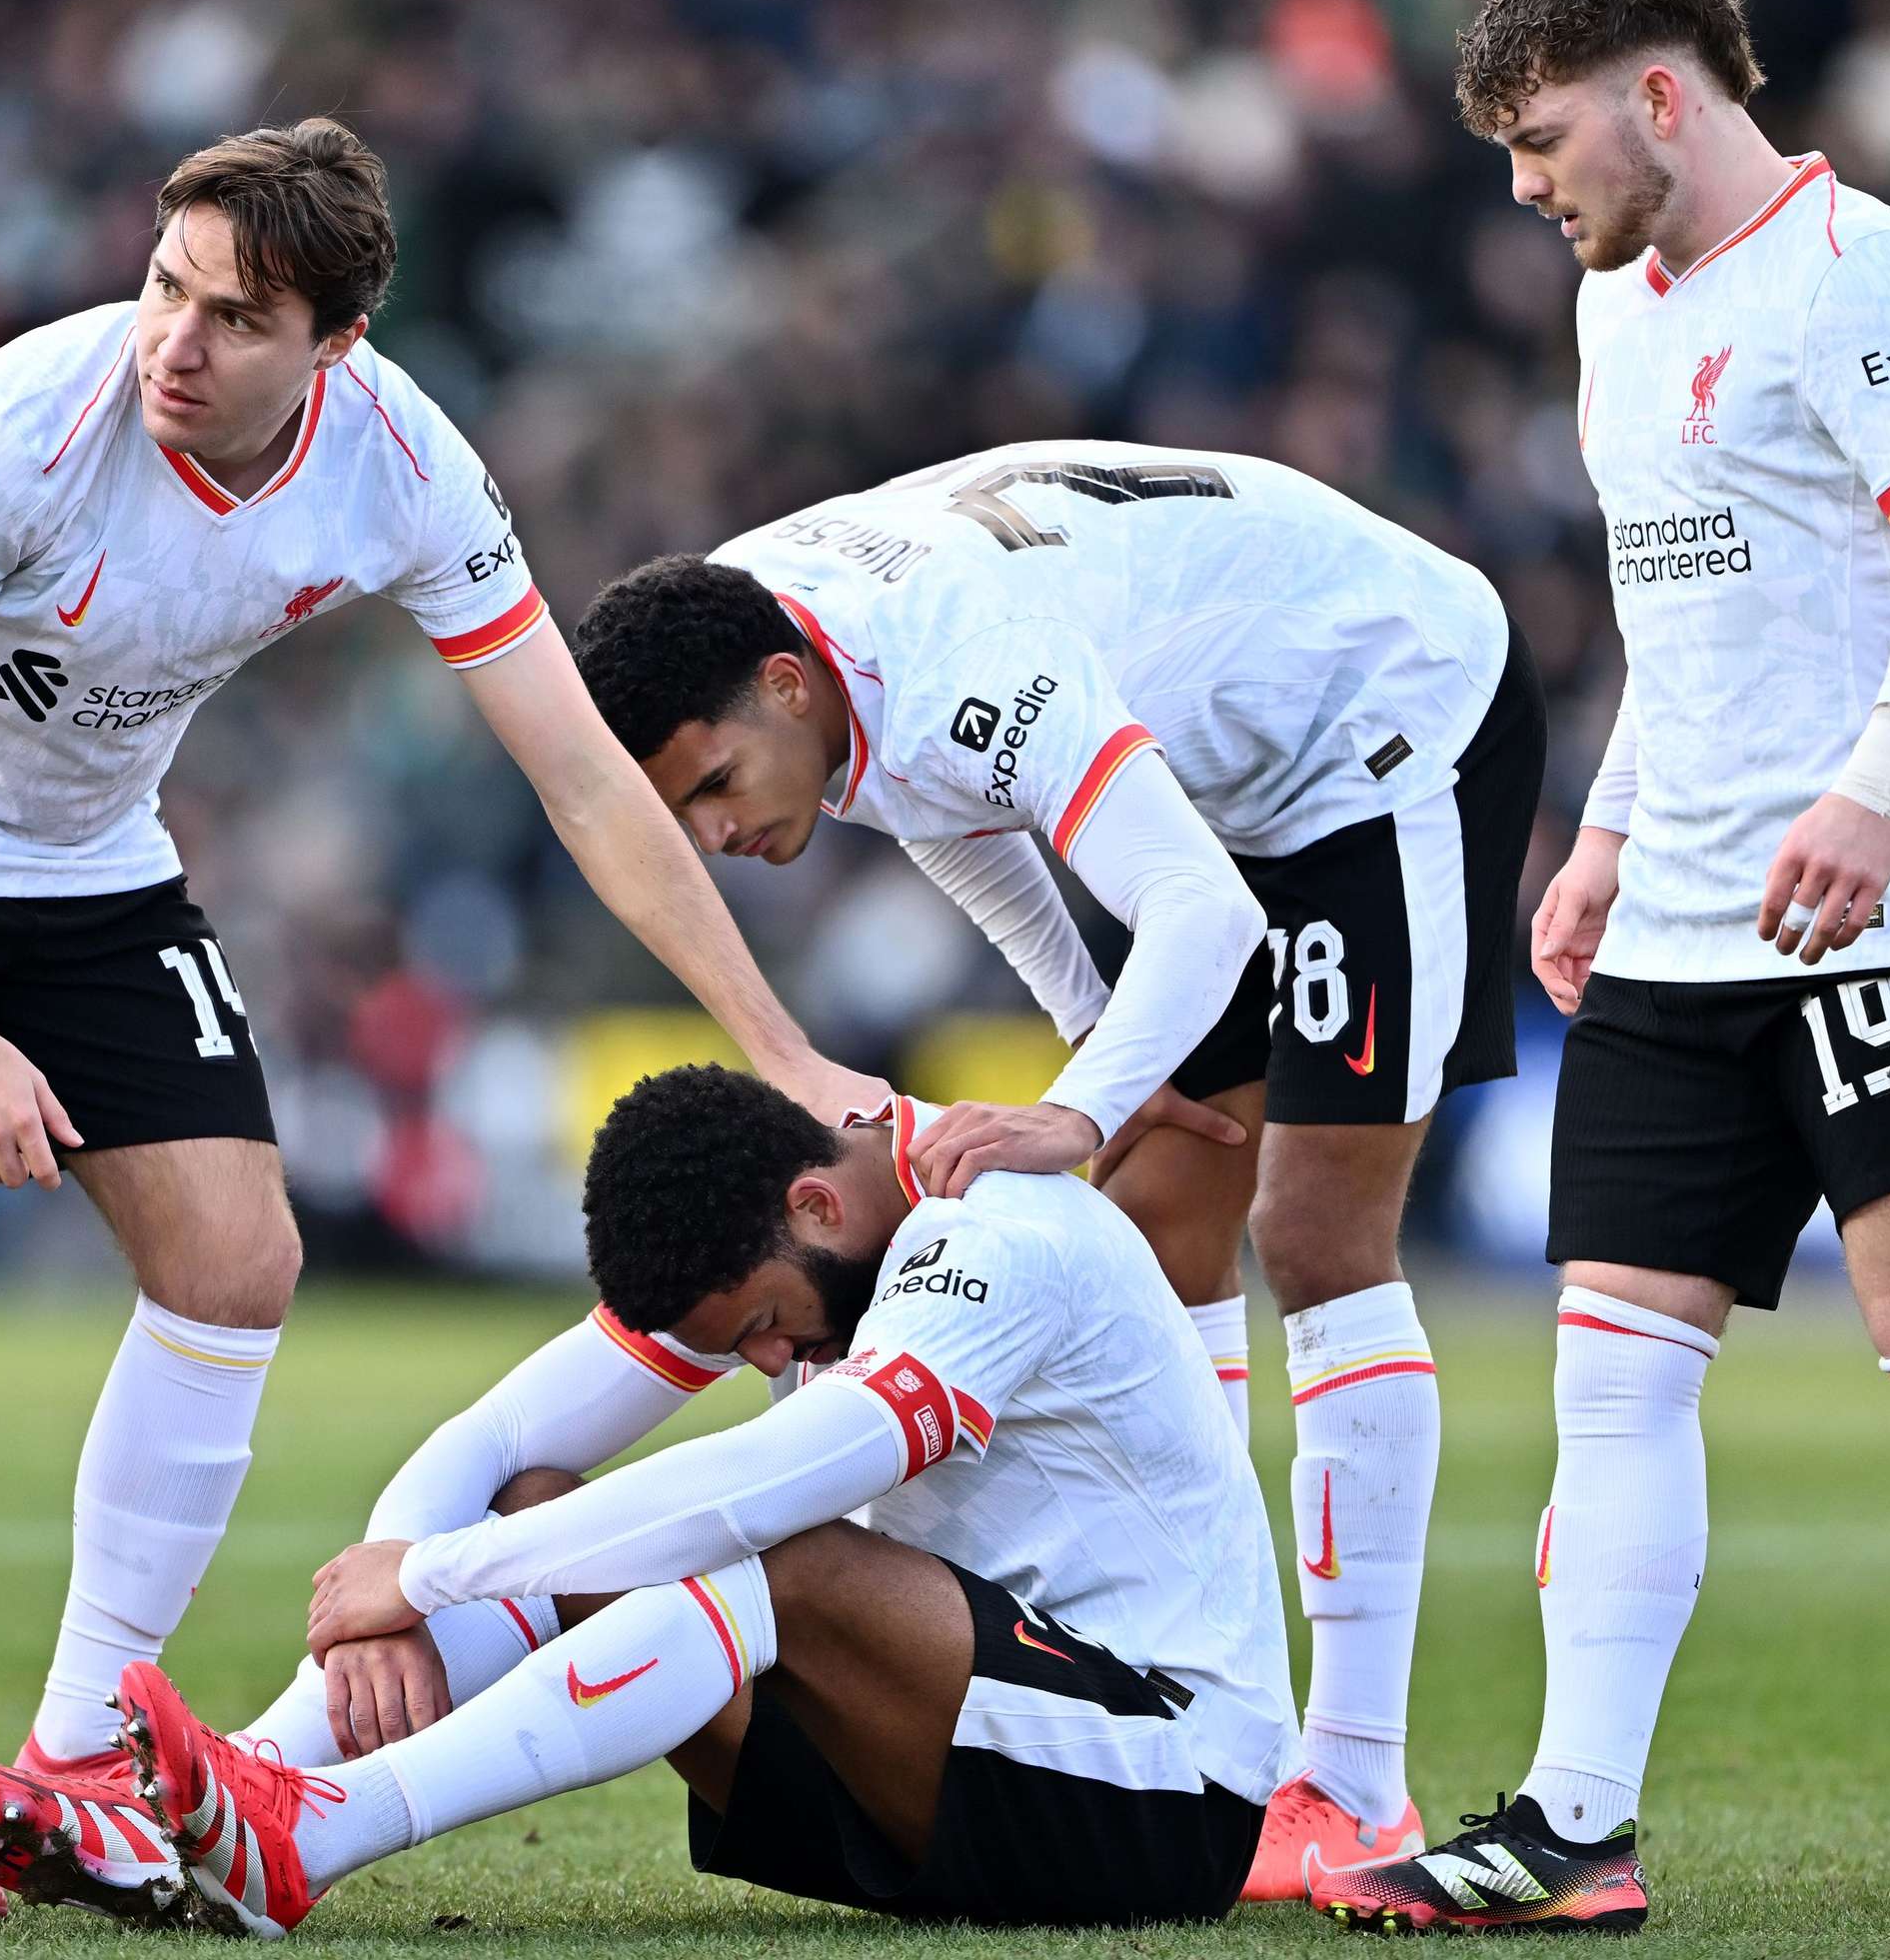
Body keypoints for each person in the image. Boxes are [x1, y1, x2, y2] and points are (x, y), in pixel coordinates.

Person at [0, 119, 886, 1919]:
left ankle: (83, 1745)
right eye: (166, 286)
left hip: (90, 861)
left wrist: (784, 1046)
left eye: (236, 317)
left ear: (334, 348)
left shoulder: (403, 464)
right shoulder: (17, 434)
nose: (173, 343)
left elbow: (584, 779)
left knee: (236, 1264)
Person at [1310, 0, 1890, 1938]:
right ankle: (1571, 1822)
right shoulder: (1613, 310)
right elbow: (1680, 614)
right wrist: (1608, 833)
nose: (1524, 188)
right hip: (1679, 932)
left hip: (1888, 917)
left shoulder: (1862, 275)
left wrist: (1875, 785)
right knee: (1616, 1378)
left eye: (1541, 142)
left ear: (1657, 96)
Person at [567, 441, 1546, 1895]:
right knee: (1159, 1229)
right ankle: (1221, 1699)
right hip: (1214, 758)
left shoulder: (950, 656)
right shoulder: (786, 645)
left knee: (1322, 1229)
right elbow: (957, 813)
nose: (714, 839)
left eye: (715, 788)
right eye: (680, 819)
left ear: (784, 691)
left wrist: (1081, 1110)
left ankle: (1351, 1781)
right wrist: (1103, 1043)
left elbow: (1197, 914)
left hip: (1378, 718)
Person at [0, 1065, 1294, 1934]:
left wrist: (444, 1577)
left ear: (817, 1203)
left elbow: (799, 1474)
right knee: (549, 1502)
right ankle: (218, 1805)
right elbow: (501, 1434)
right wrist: (408, 1569)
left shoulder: (997, 1228)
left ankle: (315, 1831)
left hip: (1166, 1787)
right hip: (960, 1781)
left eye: (755, 1327)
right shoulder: (803, 1244)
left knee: (781, 1556)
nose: (762, 1361)